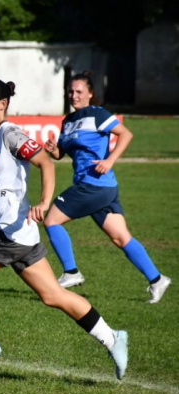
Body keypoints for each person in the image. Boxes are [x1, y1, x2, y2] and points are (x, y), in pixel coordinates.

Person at [0, 77, 128, 378]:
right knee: (53, 296)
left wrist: (43, 202)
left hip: (11, 233)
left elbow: (47, 164)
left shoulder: (11, 135)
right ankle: (112, 338)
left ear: (2, 104)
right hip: (22, 235)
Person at [44, 71, 171, 303]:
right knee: (121, 238)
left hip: (95, 186)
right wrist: (53, 149)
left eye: (79, 92)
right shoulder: (68, 121)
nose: (74, 95)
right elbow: (62, 154)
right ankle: (157, 279)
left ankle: (71, 272)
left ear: (90, 94)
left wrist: (110, 160)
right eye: (71, 91)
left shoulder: (97, 114)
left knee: (51, 220)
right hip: (99, 188)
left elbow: (125, 134)